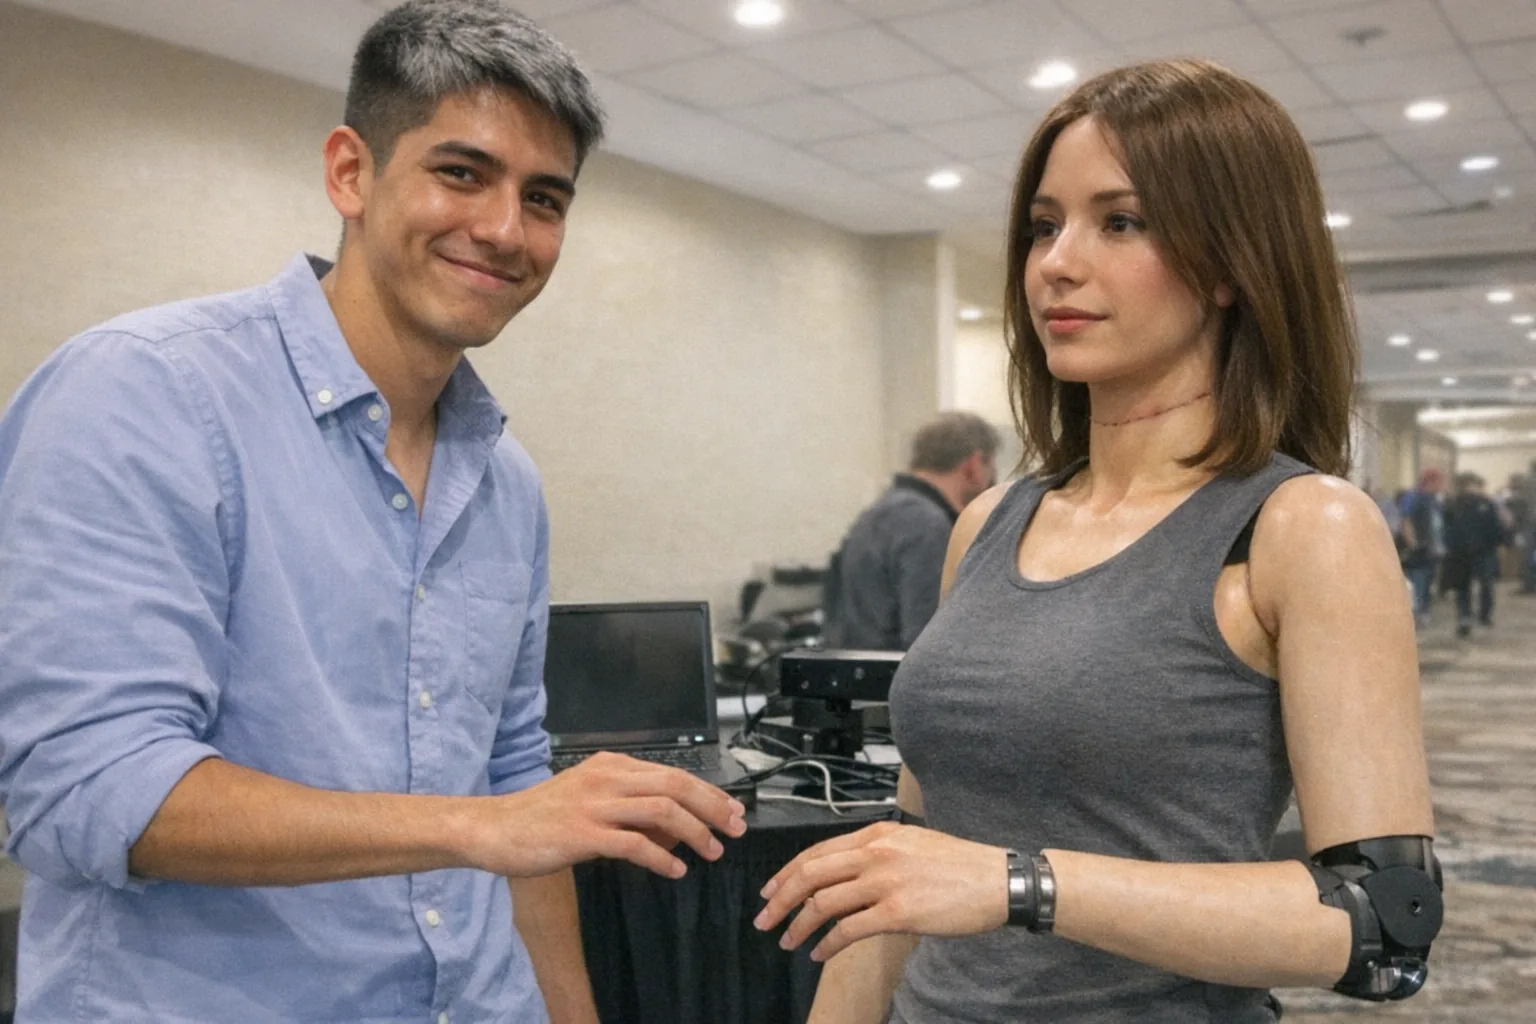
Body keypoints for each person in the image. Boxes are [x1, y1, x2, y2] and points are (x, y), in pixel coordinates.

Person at [0, 3, 747, 1021]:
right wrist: (471, 827)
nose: (503, 229)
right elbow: (84, 789)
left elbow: (516, 781)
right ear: (351, 172)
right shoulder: (147, 393)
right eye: (461, 172)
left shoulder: (506, 479)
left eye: (544, 197)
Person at [754, 59, 1439, 1023]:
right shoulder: (988, 523)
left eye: (1120, 222)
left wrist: (1020, 884)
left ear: (1234, 262)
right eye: (1045, 225)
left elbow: (1381, 925)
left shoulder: (1302, 527)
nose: (1055, 263)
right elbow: (907, 868)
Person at [822, 411, 999, 650]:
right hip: (891, 681)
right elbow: (929, 642)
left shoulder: (878, 513)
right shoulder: (928, 526)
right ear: (974, 466)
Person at [1442, 473, 1509, 636]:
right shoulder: (1453, 505)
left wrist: (1498, 542)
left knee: (1484, 584)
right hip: (1462, 552)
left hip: (1483, 551)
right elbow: (1448, 528)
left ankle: (1482, 615)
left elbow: (1495, 526)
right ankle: (1465, 618)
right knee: (1465, 587)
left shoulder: (1485, 504)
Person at [1400, 466, 1447, 625]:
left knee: (1428, 581)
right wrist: (1412, 543)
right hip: (1418, 549)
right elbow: (1406, 520)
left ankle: (1424, 610)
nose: (1441, 486)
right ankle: (1416, 612)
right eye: (1439, 482)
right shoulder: (1414, 497)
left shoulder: (1434, 500)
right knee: (1418, 581)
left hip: (1431, 549)